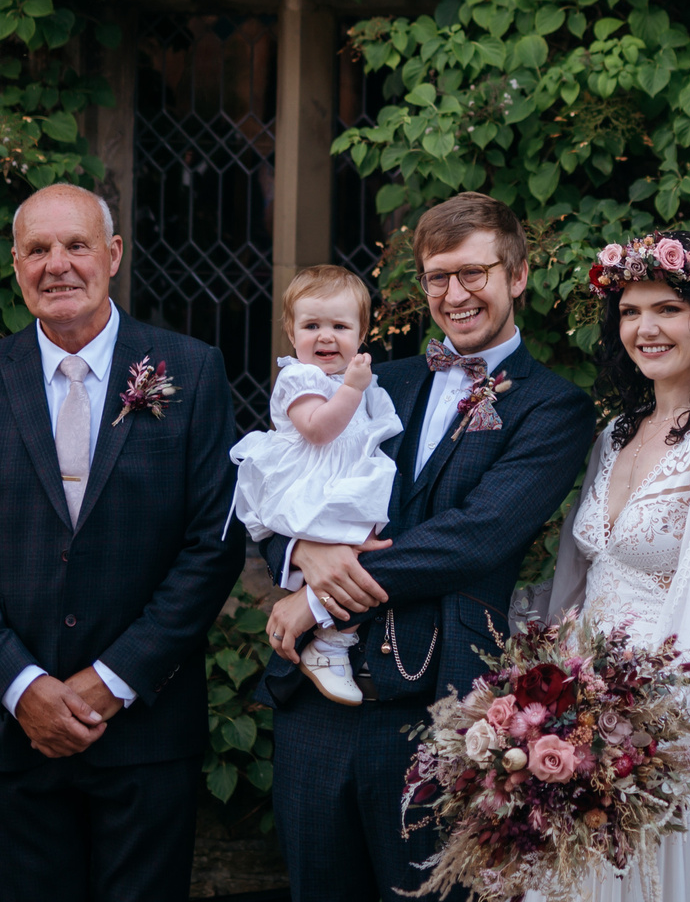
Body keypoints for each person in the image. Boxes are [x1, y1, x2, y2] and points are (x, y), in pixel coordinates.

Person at [258, 191, 593, 902]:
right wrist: (298, 553)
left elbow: (476, 538)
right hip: (316, 709)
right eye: (439, 276)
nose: (456, 293)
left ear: (519, 275)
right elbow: (290, 478)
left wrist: (319, 594)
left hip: (438, 711)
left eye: (475, 273)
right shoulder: (379, 378)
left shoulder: (553, 406)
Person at [0, 184, 242, 902]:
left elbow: (213, 545)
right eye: (37, 249)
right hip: (16, 734)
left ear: (113, 255)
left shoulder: (190, 371)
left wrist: (114, 679)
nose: (56, 265)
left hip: (145, 729)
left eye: (76, 245)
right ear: (14, 264)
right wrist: (23, 686)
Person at [545, 230, 690, 902]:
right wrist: (550, 696)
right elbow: (574, 580)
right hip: (578, 718)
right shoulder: (614, 432)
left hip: (660, 735)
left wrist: (662, 741)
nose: (645, 327)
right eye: (630, 312)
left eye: (667, 309)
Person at [228, 264, 402, 704]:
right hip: (310, 484)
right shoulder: (299, 378)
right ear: (291, 331)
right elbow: (318, 430)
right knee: (355, 552)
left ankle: (330, 640)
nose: (325, 337)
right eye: (311, 325)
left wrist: (357, 389)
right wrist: (351, 391)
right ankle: (329, 645)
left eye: (339, 326)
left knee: (362, 554)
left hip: (344, 482)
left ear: (361, 333)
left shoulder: (358, 381)